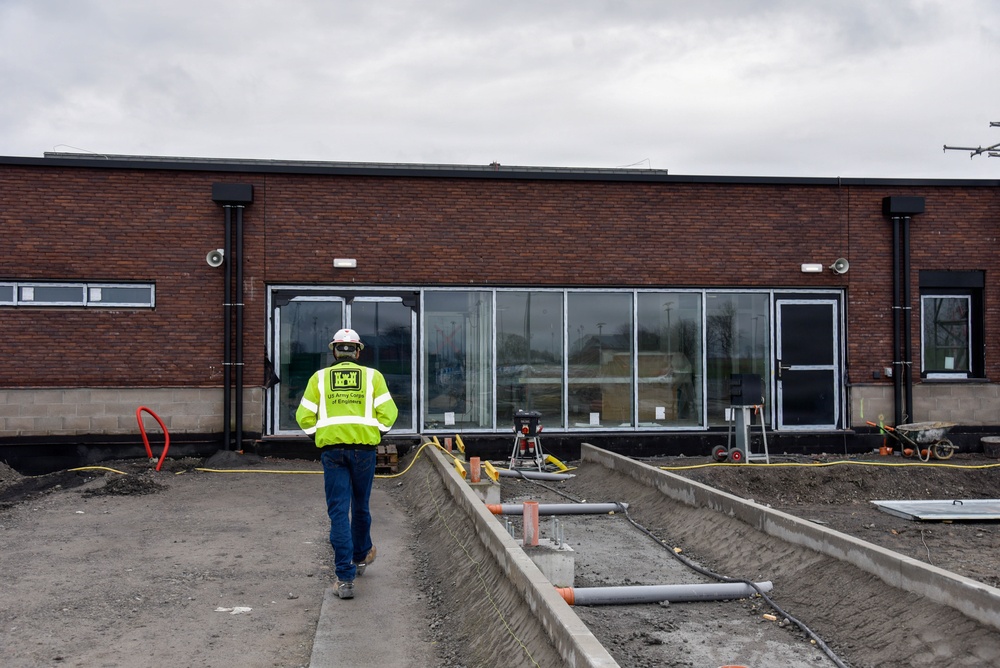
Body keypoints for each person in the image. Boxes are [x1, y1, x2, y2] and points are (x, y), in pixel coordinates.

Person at [296, 328, 398, 600]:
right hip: (364, 452)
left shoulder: (319, 378)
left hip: (333, 452)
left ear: (334, 352)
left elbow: (304, 416)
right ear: (358, 352)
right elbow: (389, 415)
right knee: (361, 506)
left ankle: (344, 579)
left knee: (339, 512)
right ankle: (361, 556)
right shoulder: (372, 377)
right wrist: (373, 433)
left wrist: (320, 435)